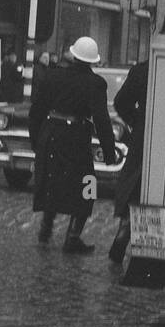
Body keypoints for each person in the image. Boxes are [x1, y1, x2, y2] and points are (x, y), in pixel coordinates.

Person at [29, 35, 117, 254]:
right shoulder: (95, 83)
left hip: (50, 135)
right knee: (88, 185)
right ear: (93, 60)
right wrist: (109, 152)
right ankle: (73, 236)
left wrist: (35, 140)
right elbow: (102, 119)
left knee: (52, 181)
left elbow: (36, 109)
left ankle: (46, 228)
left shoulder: (53, 76)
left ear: (73, 54)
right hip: (76, 138)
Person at [109, 57, 149, 263]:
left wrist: (138, 122)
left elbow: (120, 102)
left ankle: (124, 232)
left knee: (135, 185)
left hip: (144, 135)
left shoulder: (142, 70)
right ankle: (146, 251)